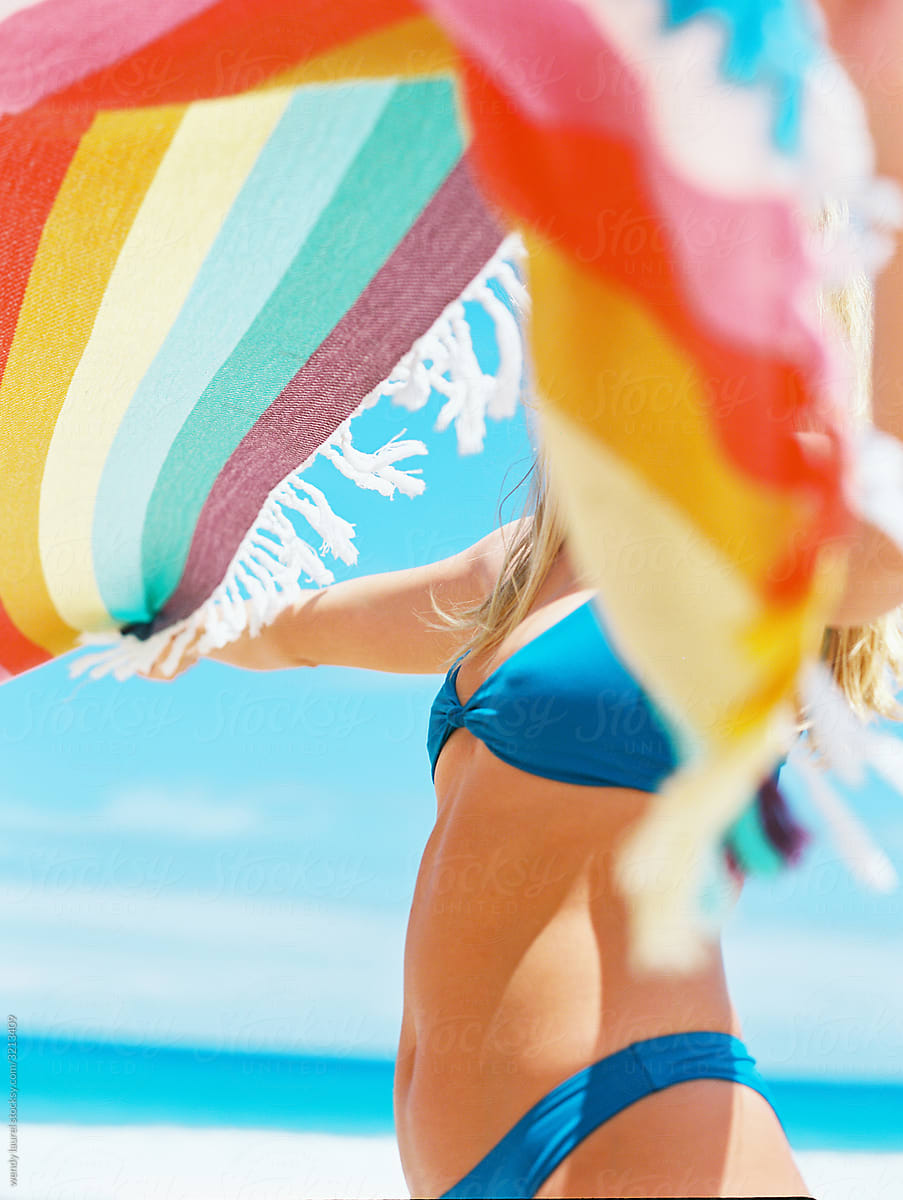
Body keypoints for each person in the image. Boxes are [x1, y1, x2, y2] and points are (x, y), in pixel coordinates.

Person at [138, 10, 903, 1191]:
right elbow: (287, 628)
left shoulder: (753, 549)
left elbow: (890, 535)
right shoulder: (521, 565)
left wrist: (878, 108)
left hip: (644, 1120)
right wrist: (143, 601)